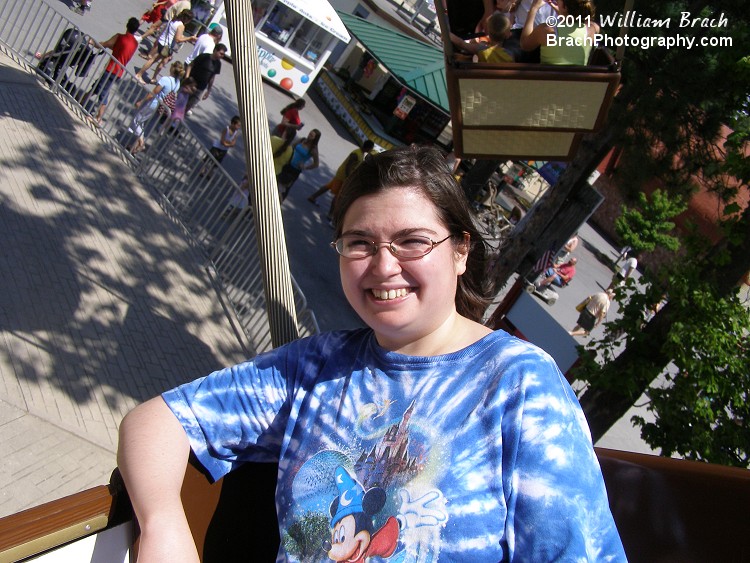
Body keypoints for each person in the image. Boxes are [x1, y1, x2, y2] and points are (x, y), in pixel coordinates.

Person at [117, 144, 626, 562]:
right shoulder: (317, 368)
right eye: (360, 243)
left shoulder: (519, 384)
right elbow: (158, 421)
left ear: (461, 250)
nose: (384, 267)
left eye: (412, 242)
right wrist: (164, 528)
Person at [78, 17, 140, 125]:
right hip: (119, 71)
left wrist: (93, 42)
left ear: (127, 25)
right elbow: (122, 51)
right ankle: (82, 100)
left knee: (103, 92)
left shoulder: (120, 37)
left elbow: (105, 44)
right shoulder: (135, 43)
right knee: (98, 86)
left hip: (110, 68)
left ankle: (98, 118)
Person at [307, 139, 375, 223]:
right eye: (371, 148)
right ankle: (330, 214)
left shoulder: (360, 153)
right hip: (343, 176)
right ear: (367, 147)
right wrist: (348, 177)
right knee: (338, 195)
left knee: (329, 186)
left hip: (342, 175)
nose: (371, 150)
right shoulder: (356, 154)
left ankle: (313, 197)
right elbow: (348, 166)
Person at [125, 60, 184, 155]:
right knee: (145, 126)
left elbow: (153, 93)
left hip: (153, 103)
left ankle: (141, 143)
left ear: (172, 68)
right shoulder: (178, 83)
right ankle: (134, 147)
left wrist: (141, 101)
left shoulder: (165, 80)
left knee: (136, 121)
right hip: (161, 108)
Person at [520, 0, 600, 66]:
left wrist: (533, 8)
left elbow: (525, 44)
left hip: (549, 83)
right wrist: (563, 13)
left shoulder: (547, 31)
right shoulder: (592, 29)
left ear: (565, 7)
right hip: (577, 83)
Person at [135, 9, 195, 84]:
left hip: (161, 41)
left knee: (153, 60)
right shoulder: (181, 26)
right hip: (166, 45)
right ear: (187, 19)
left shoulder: (173, 20)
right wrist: (190, 38)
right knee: (153, 61)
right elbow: (178, 39)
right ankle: (139, 74)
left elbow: (168, 31)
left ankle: (143, 74)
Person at [449, 12, 514, 63]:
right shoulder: (510, 54)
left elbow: (462, 44)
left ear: (488, 32)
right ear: (508, 34)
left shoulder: (482, 49)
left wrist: (448, 34)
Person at [276, 129, 321, 201]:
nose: (309, 136)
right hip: (287, 163)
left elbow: (316, 164)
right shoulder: (302, 140)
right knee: (276, 181)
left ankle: (279, 202)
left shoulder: (313, 150)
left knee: (284, 188)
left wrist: (305, 167)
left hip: (294, 170)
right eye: (310, 133)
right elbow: (292, 146)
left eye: (312, 136)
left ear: (315, 139)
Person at [183, 43, 226, 115]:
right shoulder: (204, 57)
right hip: (190, 84)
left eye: (223, 55)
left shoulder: (218, 64)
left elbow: (212, 77)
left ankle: (176, 122)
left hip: (200, 88)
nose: (222, 56)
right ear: (215, 50)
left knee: (189, 106)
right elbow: (190, 65)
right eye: (221, 53)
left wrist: (208, 90)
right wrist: (187, 78)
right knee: (181, 102)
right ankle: (167, 119)